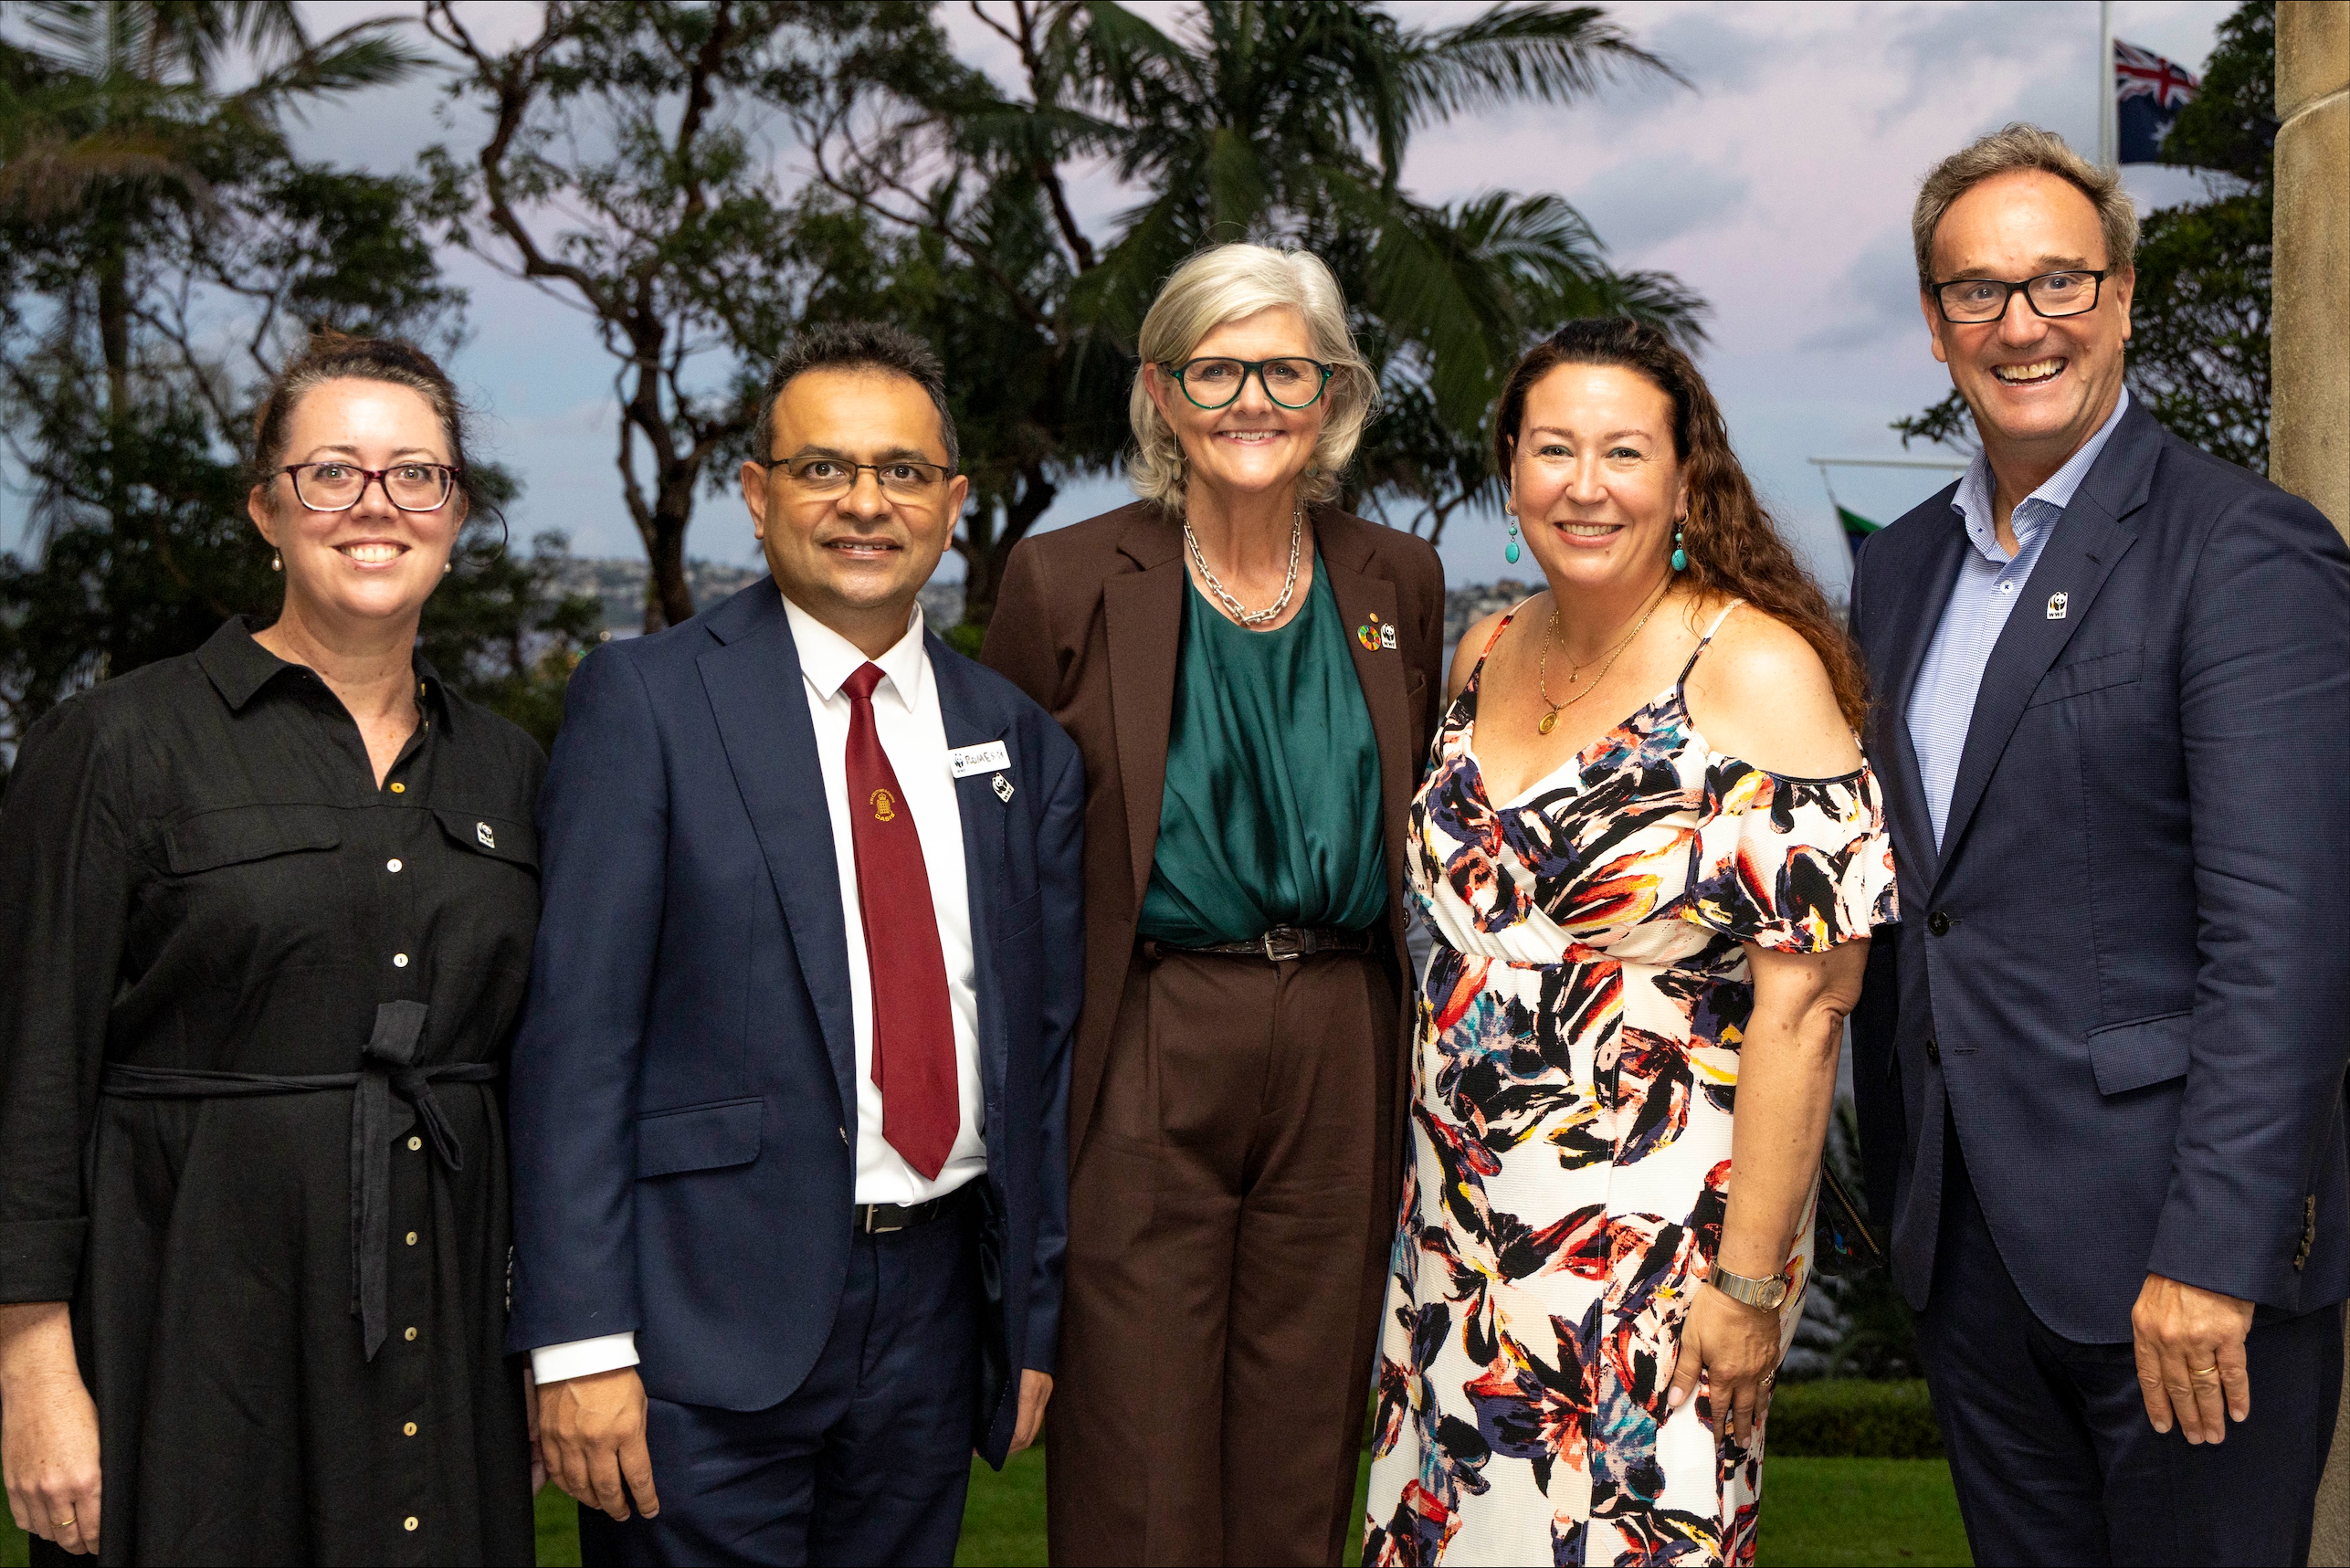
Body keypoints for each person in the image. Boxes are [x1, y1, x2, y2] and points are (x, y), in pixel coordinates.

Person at [1845, 123, 2350, 1567]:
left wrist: (2212, 1252)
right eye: (1977, 291)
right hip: (1969, 1257)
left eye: (2057, 281)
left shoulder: (2241, 549)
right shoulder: (1897, 568)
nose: (2021, 325)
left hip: (2174, 1262)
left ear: (2120, 296)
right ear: (1934, 322)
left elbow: (2286, 939)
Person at [507, 321, 1082, 1567]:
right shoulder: (648, 703)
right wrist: (578, 1340)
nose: (865, 503)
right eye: (823, 468)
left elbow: (1039, 1058)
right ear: (758, 496)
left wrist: (1029, 1319)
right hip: (700, 1321)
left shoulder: (1020, 744)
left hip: (937, 1318)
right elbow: (575, 1045)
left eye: (902, 471)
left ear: (953, 505)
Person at [0, 331, 542, 1563]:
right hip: (189, 1313)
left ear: (457, 514)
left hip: (444, 1312)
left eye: (416, 474)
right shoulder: (117, 743)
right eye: (332, 472)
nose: (376, 506)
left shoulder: (507, 767)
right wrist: (31, 1368)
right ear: (266, 508)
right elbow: (29, 1075)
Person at [1362, 318, 1895, 1567]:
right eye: (1553, 449)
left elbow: (1810, 1006)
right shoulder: (1490, 646)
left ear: (1683, 477)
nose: (1584, 485)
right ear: (1510, 471)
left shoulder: (1754, 670)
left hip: (1653, 1252)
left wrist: (1748, 1288)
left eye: (1623, 451)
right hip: (1456, 1236)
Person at [982, 242, 1444, 1566]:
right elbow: (1001, 868)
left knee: (1305, 1441)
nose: (1252, 399)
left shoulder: (1397, 580)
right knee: (1137, 1445)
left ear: (1331, 392)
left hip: (1345, 1034)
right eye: (1216, 369)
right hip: (1148, 1031)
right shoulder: (1063, 581)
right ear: (1160, 392)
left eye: (1285, 369)